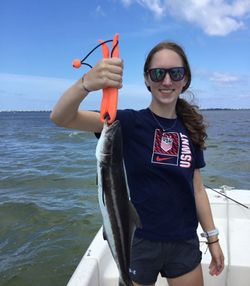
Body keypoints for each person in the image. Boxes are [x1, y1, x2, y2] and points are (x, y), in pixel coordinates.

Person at [50, 40, 224, 286]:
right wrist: (86, 83)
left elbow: (197, 190)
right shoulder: (126, 123)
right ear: (146, 79)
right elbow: (61, 117)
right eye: (158, 73)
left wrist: (212, 239)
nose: (166, 81)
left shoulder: (190, 129)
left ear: (185, 80)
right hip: (138, 241)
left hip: (184, 241)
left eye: (175, 73)